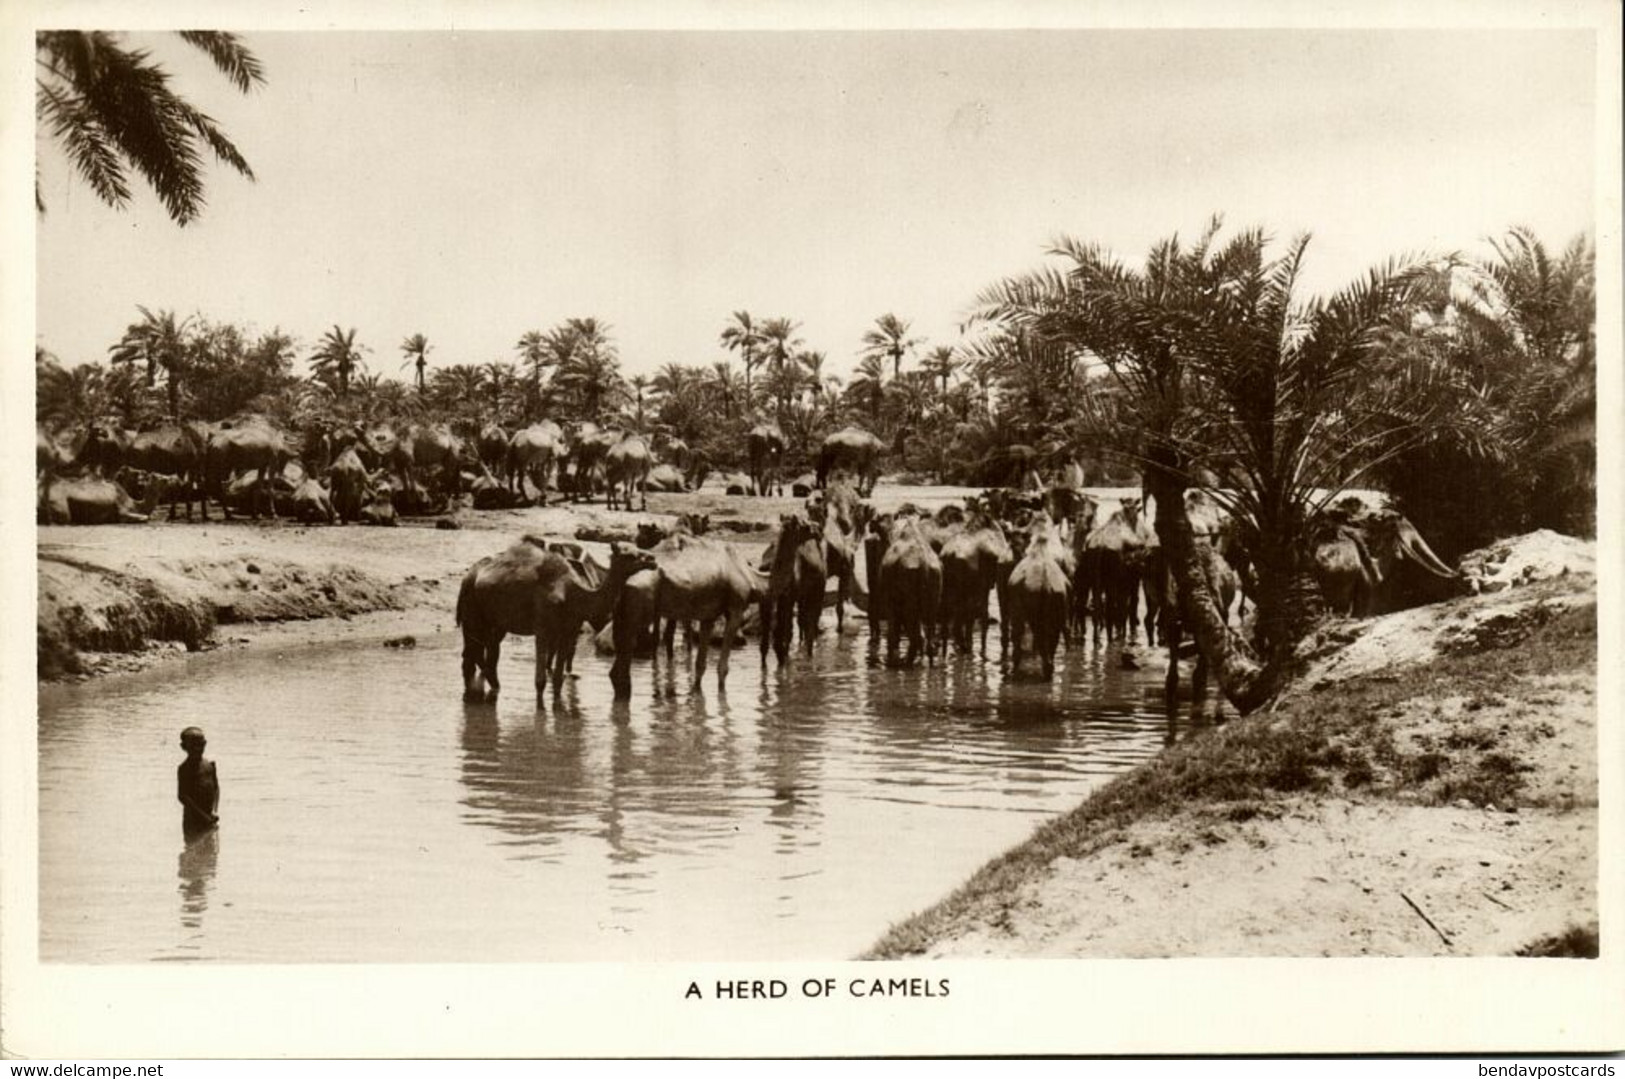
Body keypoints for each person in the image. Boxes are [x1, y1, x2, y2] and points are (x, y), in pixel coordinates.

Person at [177, 727, 219, 835]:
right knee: (192, 847)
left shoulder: (210, 765)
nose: (197, 749)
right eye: (193, 746)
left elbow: (216, 788)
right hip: (193, 821)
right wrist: (204, 816)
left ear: (205, 744)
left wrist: (214, 810)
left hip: (210, 817)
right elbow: (183, 796)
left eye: (201, 745)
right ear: (184, 747)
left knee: (211, 849)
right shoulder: (184, 769)